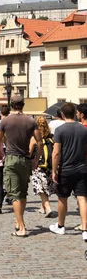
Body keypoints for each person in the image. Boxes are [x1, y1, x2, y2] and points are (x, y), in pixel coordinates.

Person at [0, 95, 42, 237]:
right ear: (23, 104)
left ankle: (22, 227)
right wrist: (36, 159)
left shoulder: (5, 121)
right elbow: (40, 142)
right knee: (22, 193)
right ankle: (18, 221)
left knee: (14, 194)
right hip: (25, 160)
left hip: (11, 159)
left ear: (11, 105)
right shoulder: (30, 121)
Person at [49, 102, 87, 243]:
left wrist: (54, 170)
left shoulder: (60, 130)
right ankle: (85, 229)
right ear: (75, 113)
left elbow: (56, 152)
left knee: (62, 198)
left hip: (66, 168)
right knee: (82, 198)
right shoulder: (84, 129)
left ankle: (61, 225)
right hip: (82, 167)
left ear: (63, 114)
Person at [29, 116, 54, 217]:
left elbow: (30, 152)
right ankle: (42, 207)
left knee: (40, 188)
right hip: (49, 165)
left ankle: (47, 207)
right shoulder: (51, 137)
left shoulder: (34, 138)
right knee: (46, 185)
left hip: (38, 164)